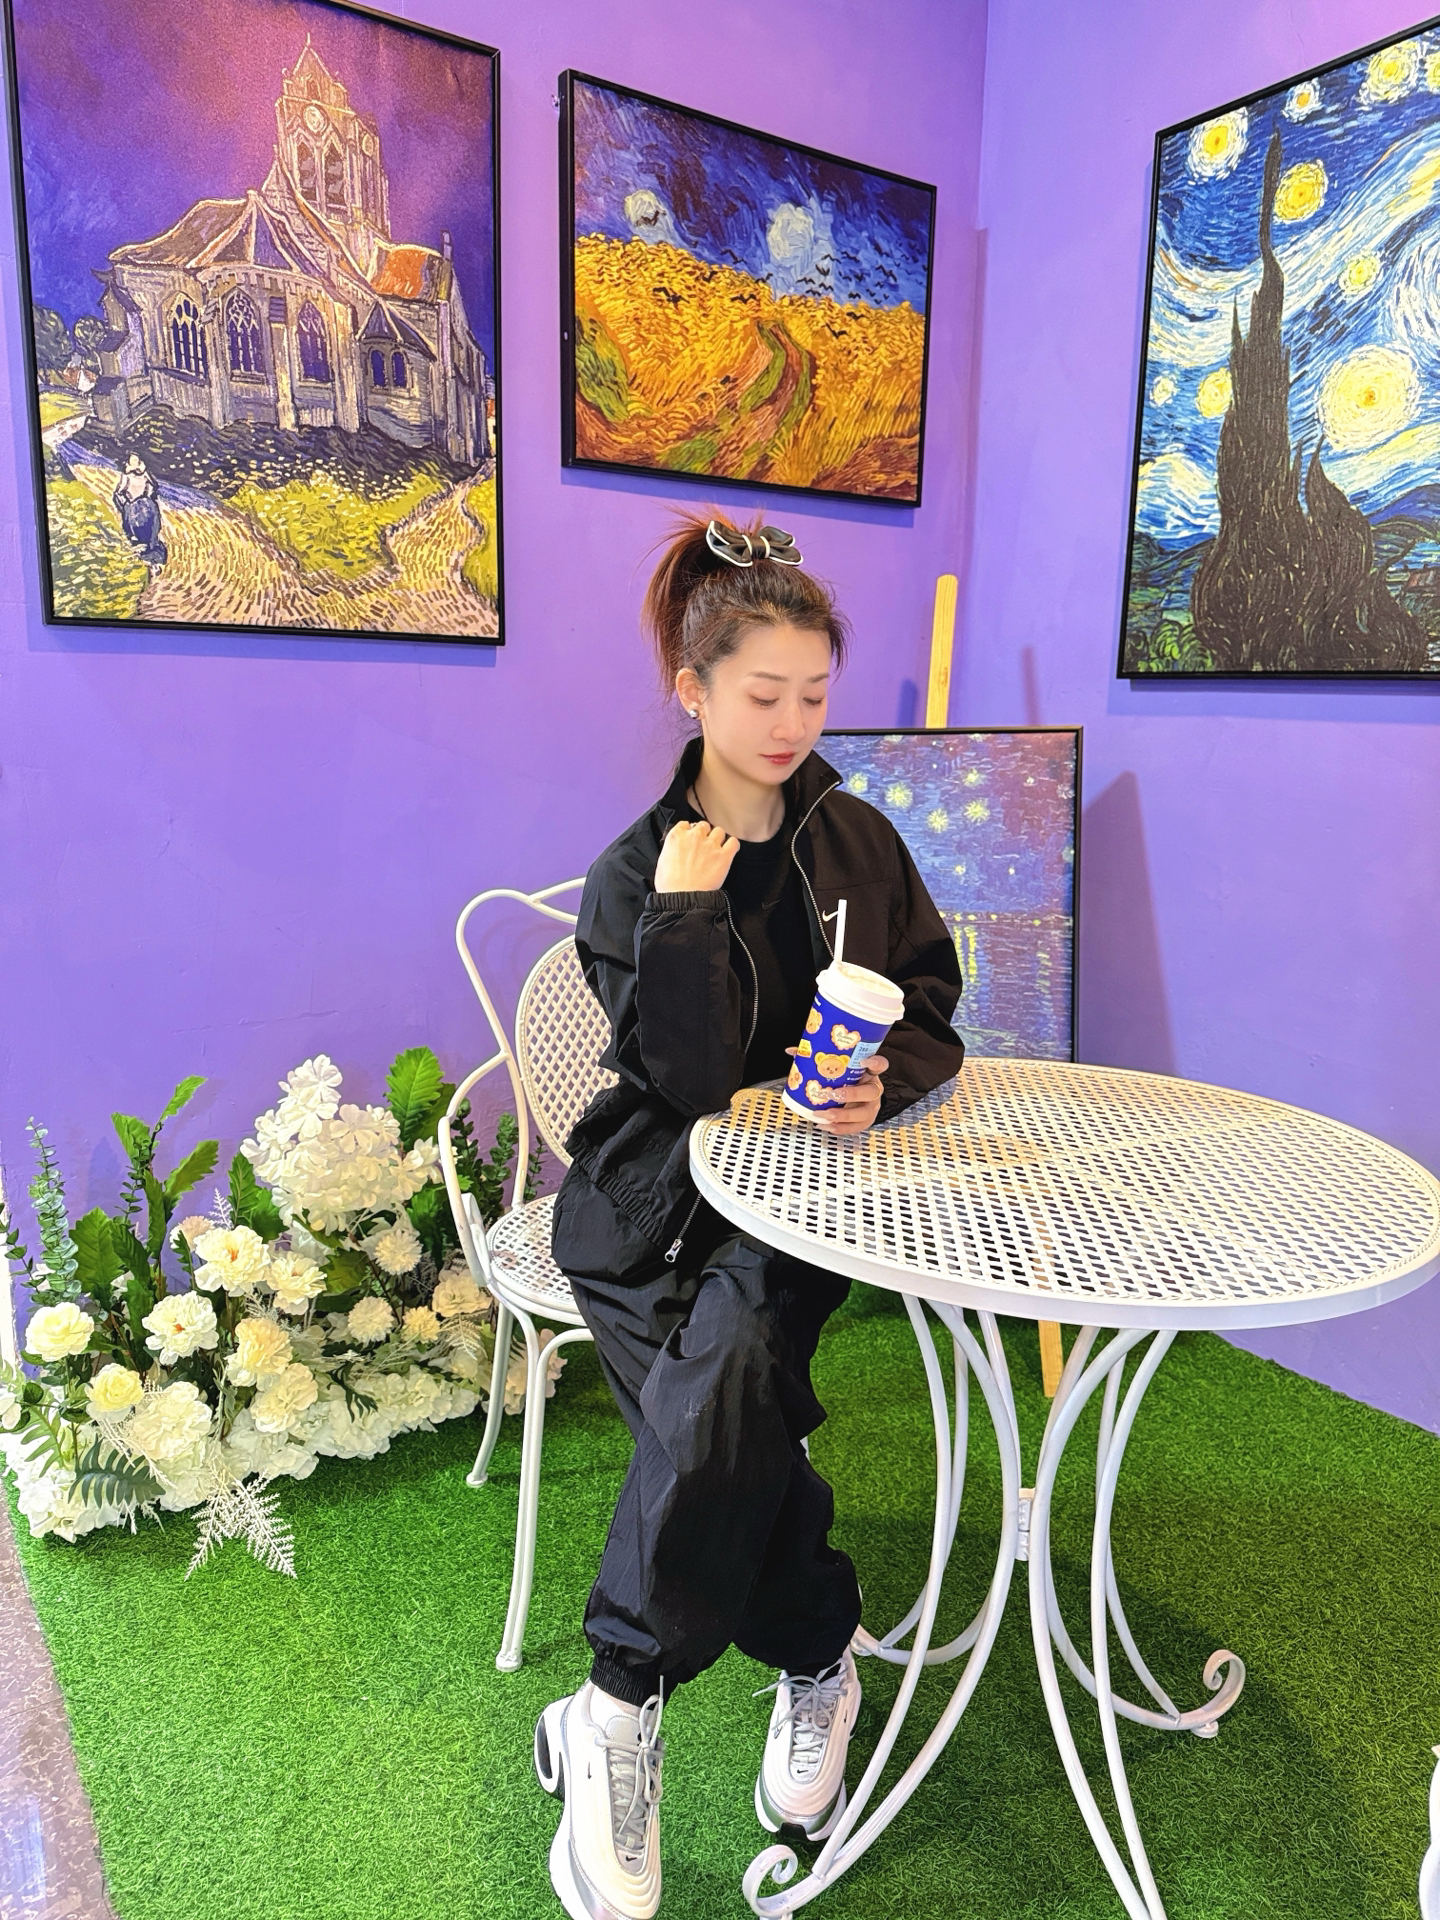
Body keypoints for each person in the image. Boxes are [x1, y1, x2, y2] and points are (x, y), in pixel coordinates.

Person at [536, 512, 966, 1920]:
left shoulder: (860, 842)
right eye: (762, 694)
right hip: (642, 1208)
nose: (790, 726)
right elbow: (684, 1082)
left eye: (815, 698)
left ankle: (612, 1705)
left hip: (796, 1208)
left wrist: (883, 1080)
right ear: (693, 690)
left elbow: (933, 1006)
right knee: (738, 1413)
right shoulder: (635, 871)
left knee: (726, 1378)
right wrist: (682, 918)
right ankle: (818, 1647)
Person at [112, 454, 167, 569]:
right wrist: (126, 504)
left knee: (151, 526)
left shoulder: (145, 473)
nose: (134, 462)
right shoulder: (126, 476)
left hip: (146, 505)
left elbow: (154, 485)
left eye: (136, 460)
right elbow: (118, 493)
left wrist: (148, 495)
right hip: (132, 506)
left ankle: (152, 552)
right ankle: (140, 550)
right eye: (132, 460)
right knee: (134, 529)